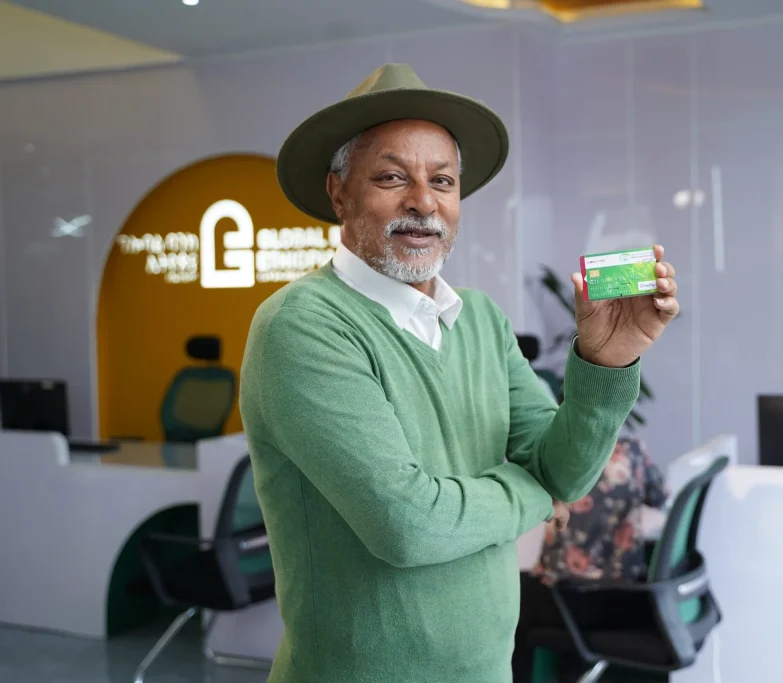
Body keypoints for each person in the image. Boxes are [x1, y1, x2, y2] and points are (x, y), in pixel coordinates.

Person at [239, 63, 680, 683]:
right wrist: (535, 496)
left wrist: (607, 361)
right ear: (339, 193)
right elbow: (408, 526)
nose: (423, 202)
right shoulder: (302, 325)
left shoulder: (481, 319)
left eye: (441, 180)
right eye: (392, 177)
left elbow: (566, 472)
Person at [513, 436, 668, 682]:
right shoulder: (633, 449)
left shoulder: (556, 452)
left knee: (510, 595)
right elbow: (659, 497)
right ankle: (570, 669)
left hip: (572, 600)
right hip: (624, 596)